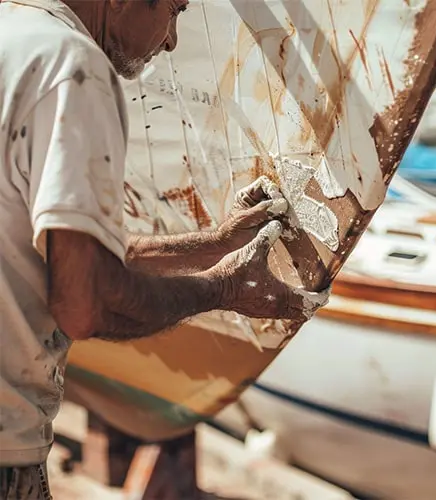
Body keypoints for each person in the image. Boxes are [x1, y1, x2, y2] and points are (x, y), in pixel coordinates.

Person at [0, 0, 329, 497]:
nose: (172, 39)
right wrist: (224, 290)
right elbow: (84, 303)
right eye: (175, 10)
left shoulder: (11, 33)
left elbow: (65, 254)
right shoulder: (73, 66)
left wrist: (213, 244)